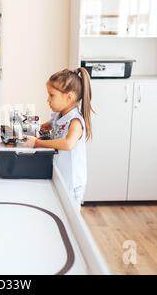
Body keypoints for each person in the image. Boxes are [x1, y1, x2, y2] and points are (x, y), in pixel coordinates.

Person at [23, 68, 94, 211]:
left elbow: (68, 144)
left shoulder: (75, 121)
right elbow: (46, 126)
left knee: (70, 216)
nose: (48, 100)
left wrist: (37, 143)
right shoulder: (59, 115)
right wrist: (34, 128)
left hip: (71, 182)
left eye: (51, 95)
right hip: (60, 175)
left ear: (69, 97)